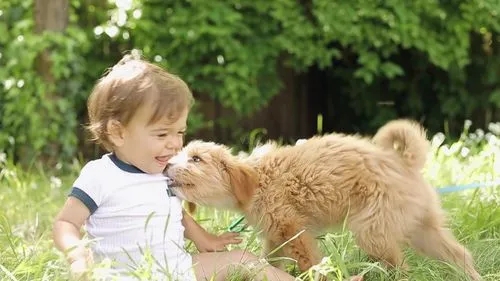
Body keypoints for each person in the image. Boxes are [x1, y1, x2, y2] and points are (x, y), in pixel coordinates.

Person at [52, 53, 298, 281]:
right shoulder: (100, 175)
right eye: (161, 134)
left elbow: (175, 214)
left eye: (180, 132)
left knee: (245, 260)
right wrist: (77, 254)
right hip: (121, 274)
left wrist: (204, 238)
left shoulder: (165, 173)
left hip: (177, 267)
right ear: (118, 133)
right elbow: (66, 223)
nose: (175, 143)